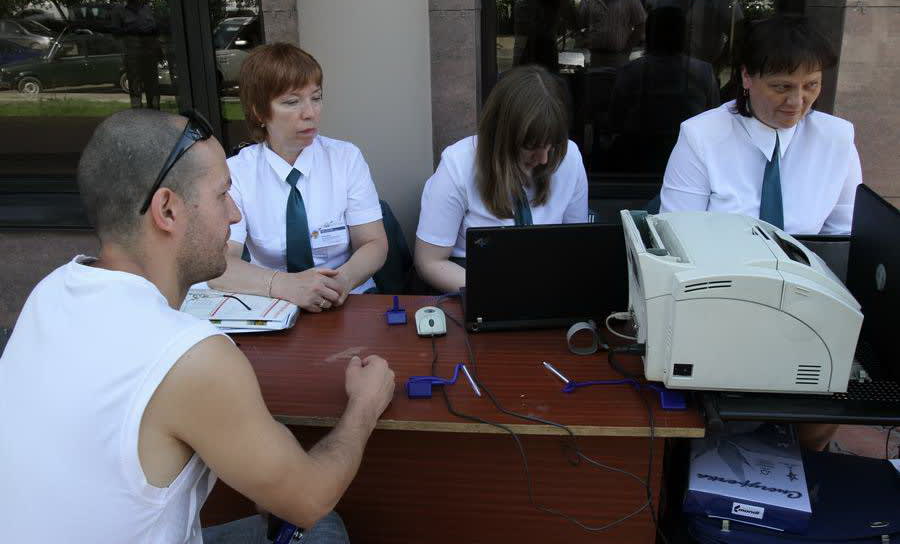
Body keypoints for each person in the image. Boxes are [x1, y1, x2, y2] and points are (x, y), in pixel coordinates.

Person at [0, 109, 395, 542]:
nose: (234, 214)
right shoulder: (190, 357)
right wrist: (364, 406)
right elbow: (309, 498)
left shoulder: (49, 292)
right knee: (322, 525)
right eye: (223, 194)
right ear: (167, 210)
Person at [207, 43, 388, 312]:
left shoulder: (345, 158)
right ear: (259, 112)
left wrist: (342, 281)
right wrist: (285, 286)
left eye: (316, 98)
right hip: (272, 304)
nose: (310, 113)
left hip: (347, 298)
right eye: (292, 102)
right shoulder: (237, 172)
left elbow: (373, 243)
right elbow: (221, 266)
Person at [660, 14, 862, 236]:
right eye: (782, 87)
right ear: (747, 77)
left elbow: (844, 234)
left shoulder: (836, 138)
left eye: (811, 85)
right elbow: (677, 234)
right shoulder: (701, 136)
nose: (797, 101)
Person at [414, 64, 588, 293]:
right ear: (500, 136)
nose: (544, 159)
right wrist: (501, 293)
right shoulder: (457, 164)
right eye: (531, 146)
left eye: (551, 146)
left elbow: (575, 246)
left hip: (545, 281)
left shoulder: (570, 157)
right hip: (474, 282)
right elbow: (429, 261)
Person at [610, 6, 719, 173]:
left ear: (650, 34)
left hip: (638, 160)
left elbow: (615, 120)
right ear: (683, 35)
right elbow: (713, 117)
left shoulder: (631, 71)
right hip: (688, 161)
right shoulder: (703, 71)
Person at [577, 0, 646, 68]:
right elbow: (577, 24)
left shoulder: (631, 0)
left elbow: (641, 25)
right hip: (595, 57)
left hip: (620, 58)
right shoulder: (589, 0)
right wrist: (583, 40)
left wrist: (628, 49)